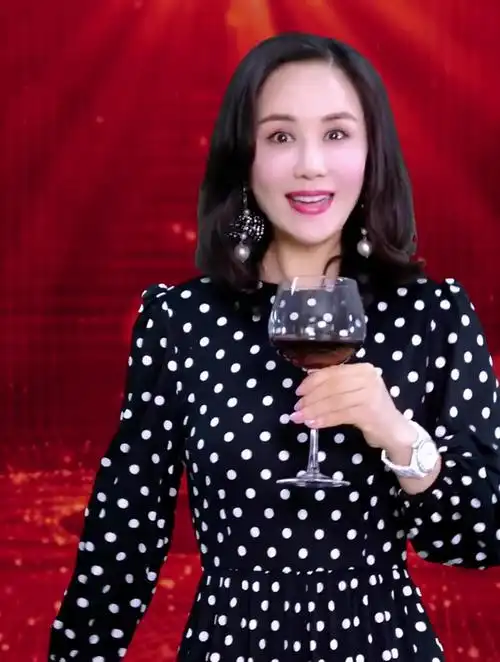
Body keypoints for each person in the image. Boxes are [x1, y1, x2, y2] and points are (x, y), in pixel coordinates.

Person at [48, 32, 500, 661]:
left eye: (337, 134)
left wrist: (398, 436)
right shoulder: (180, 321)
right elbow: (126, 529)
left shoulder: (433, 315)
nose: (310, 164)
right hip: (229, 643)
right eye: (281, 136)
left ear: (372, 152)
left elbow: (479, 538)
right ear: (244, 157)